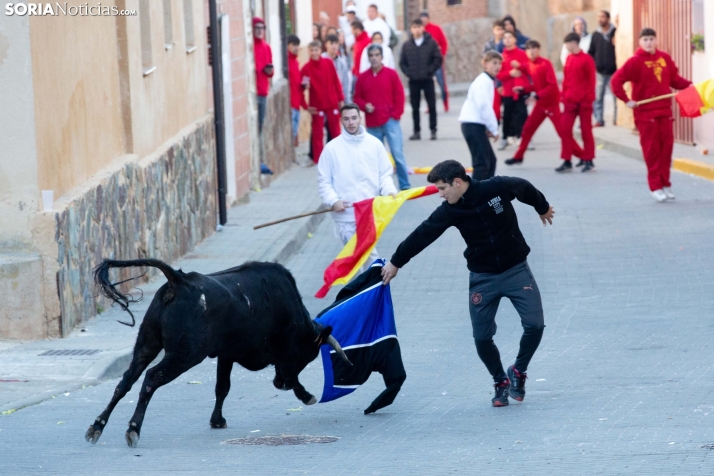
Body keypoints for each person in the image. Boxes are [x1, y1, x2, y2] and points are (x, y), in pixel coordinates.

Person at [381, 160, 554, 408]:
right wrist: (396, 262)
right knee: (482, 338)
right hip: (483, 278)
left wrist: (542, 206)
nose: (440, 194)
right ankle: (500, 381)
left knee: (535, 325)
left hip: (516, 270)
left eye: (442, 188)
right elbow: (423, 233)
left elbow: (524, 187)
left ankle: (519, 370)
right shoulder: (450, 210)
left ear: (458, 182)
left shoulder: (496, 187)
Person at [611, 28, 692, 202]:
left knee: (666, 149)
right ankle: (655, 186)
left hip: (665, 112)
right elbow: (616, 81)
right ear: (640, 42)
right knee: (652, 150)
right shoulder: (634, 62)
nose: (649, 42)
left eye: (651, 39)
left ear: (656, 40)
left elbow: (675, 80)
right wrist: (626, 100)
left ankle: (666, 184)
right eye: (645, 39)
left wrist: (691, 87)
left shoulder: (664, 58)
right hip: (645, 114)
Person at [318, 104, 397, 266]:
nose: (351, 123)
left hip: (369, 213)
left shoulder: (374, 145)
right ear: (341, 121)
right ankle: (375, 283)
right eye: (346, 119)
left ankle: (368, 287)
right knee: (365, 258)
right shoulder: (331, 149)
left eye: (354, 118)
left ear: (360, 118)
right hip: (345, 216)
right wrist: (333, 201)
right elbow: (324, 181)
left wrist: (389, 190)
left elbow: (384, 174)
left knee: (363, 259)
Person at [505, 40, 583, 166]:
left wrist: (536, 95)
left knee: (562, 132)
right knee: (527, 129)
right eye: (529, 49)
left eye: (534, 48)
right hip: (540, 105)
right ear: (526, 52)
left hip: (552, 104)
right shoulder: (529, 65)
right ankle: (518, 156)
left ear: (539, 50)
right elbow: (535, 85)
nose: (531, 51)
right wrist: (524, 89)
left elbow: (552, 86)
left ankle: (583, 156)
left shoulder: (545, 64)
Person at [353, 44, 410, 190]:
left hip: (391, 121)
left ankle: (405, 186)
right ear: (368, 58)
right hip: (372, 125)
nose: (374, 58)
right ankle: (378, 188)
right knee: (375, 159)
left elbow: (399, 95)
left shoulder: (391, 74)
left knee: (397, 155)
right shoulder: (363, 77)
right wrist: (365, 105)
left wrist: (396, 114)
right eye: (371, 55)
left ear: (382, 57)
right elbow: (356, 97)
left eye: (377, 55)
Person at [459, 51, 501, 180]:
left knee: (491, 161)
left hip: (477, 124)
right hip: (472, 125)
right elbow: (484, 106)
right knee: (482, 164)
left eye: (499, 63)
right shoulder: (483, 81)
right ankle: (474, 197)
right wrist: (494, 128)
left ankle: (486, 193)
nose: (497, 66)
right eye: (494, 63)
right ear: (485, 64)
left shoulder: (488, 81)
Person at [557, 33, 596, 173]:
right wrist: (563, 97)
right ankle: (567, 159)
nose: (566, 46)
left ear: (574, 43)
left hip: (584, 102)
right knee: (564, 129)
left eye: (567, 43)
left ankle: (589, 159)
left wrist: (588, 100)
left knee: (586, 131)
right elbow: (566, 80)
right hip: (570, 102)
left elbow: (591, 81)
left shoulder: (587, 59)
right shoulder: (568, 59)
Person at [301, 40, 345, 164]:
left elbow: (336, 81)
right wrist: (305, 106)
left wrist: (341, 99)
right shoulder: (306, 69)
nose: (314, 53)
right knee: (317, 134)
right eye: (312, 50)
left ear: (321, 51)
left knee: (336, 132)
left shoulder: (328, 63)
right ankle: (318, 160)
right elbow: (301, 88)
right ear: (308, 52)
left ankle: (338, 157)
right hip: (317, 106)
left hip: (332, 103)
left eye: (316, 50)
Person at [399, 18, 442, 141]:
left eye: (419, 27)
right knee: (415, 107)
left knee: (432, 105)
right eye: (414, 27)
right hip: (413, 80)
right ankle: (416, 131)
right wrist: (409, 73)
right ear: (411, 29)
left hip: (427, 79)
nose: (417, 30)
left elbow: (438, 59)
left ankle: (433, 130)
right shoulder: (407, 45)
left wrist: (430, 70)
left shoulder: (431, 43)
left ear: (423, 28)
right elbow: (402, 63)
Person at [495, 30, 530, 150]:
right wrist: (510, 73)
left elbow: (528, 69)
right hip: (508, 91)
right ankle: (505, 138)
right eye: (505, 38)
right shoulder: (501, 57)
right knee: (508, 115)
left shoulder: (522, 54)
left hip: (520, 90)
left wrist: (520, 67)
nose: (507, 39)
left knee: (523, 114)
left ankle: (524, 139)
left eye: (510, 37)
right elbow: (498, 74)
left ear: (515, 39)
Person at [588, 10, 618, 127]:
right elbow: (591, 52)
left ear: (608, 18)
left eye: (602, 17)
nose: (600, 19)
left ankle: (616, 119)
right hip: (600, 72)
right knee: (598, 97)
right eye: (598, 17)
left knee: (616, 96)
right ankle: (599, 120)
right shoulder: (595, 35)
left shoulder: (614, 32)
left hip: (614, 71)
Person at [420, 11, 449, 112]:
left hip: (437, 61)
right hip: (425, 62)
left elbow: (444, 43)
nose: (423, 20)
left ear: (428, 18)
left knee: (441, 83)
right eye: (421, 18)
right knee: (428, 85)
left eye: (425, 18)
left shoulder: (436, 28)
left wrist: (442, 55)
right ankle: (429, 106)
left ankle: (445, 104)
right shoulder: (420, 31)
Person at [253, 17, 273, 134]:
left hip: (263, 92)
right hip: (254, 91)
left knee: (260, 125)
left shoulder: (267, 47)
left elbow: (271, 72)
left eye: (262, 28)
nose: (260, 31)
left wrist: (269, 71)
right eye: (257, 28)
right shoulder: (251, 47)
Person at [323, 34, 352, 103]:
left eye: (336, 43)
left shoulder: (341, 62)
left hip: (338, 97)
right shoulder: (322, 59)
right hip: (325, 97)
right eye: (331, 43)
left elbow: (345, 82)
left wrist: (346, 100)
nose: (334, 46)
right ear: (326, 45)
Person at [287, 35, 302, 147]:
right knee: (291, 133)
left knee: (294, 132)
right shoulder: (287, 62)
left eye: (297, 45)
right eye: (293, 45)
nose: (296, 48)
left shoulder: (296, 62)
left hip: (297, 103)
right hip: (291, 103)